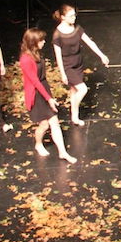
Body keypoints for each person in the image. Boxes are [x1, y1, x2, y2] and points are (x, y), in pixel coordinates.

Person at [19, 29, 77, 164]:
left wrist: (49, 95)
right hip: (36, 93)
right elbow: (34, 81)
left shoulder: (36, 54)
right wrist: (49, 99)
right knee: (44, 124)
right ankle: (38, 143)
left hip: (43, 88)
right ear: (33, 42)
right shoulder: (26, 59)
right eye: (41, 40)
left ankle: (62, 152)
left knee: (54, 122)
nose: (44, 42)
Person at [52, 5, 109, 126]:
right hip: (68, 66)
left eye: (74, 15)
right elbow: (58, 56)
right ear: (63, 17)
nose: (74, 18)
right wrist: (62, 73)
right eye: (71, 16)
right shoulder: (57, 34)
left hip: (78, 63)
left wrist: (101, 55)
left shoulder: (77, 28)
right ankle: (73, 110)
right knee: (82, 89)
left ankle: (74, 117)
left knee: (73, 90)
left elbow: (89, 42)